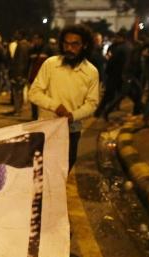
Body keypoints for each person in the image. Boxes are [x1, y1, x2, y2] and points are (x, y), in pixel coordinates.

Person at [29, 24, 99, 170]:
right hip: (46, 129)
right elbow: (34, 93)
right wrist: (55, 107)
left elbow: (92, 104)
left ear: (84, 45)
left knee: (64, 170)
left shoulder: (91, 72)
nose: (69, 48)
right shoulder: (50, 64)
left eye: (75, 44)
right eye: (66, 44)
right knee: (43, 172)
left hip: (72, 131)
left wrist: (73, 116)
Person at [7, 30, 31, 117]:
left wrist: (17, 74)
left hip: (19, 73)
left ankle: (17, 110)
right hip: (25, 72)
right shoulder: (29, 45)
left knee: (17, 92)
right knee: (21, 91)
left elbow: (19, 61)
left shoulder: (20, 45)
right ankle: (19, 109)